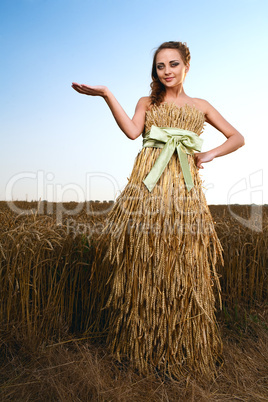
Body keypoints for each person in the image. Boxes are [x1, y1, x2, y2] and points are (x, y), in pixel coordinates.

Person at [72, 41, 245, 381]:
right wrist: (107, 94)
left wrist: (208, 154)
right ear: (155, 72)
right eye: (160, 66)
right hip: (148, 189)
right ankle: (139, 349)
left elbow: (237, 137)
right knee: (145, 260)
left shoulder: (200, 105)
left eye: (173, 64)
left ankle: (182, 348)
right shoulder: (147, 103)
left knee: (183, 261)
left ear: (186, 67)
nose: (167, 70)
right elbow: (132, 132)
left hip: (184, 193)